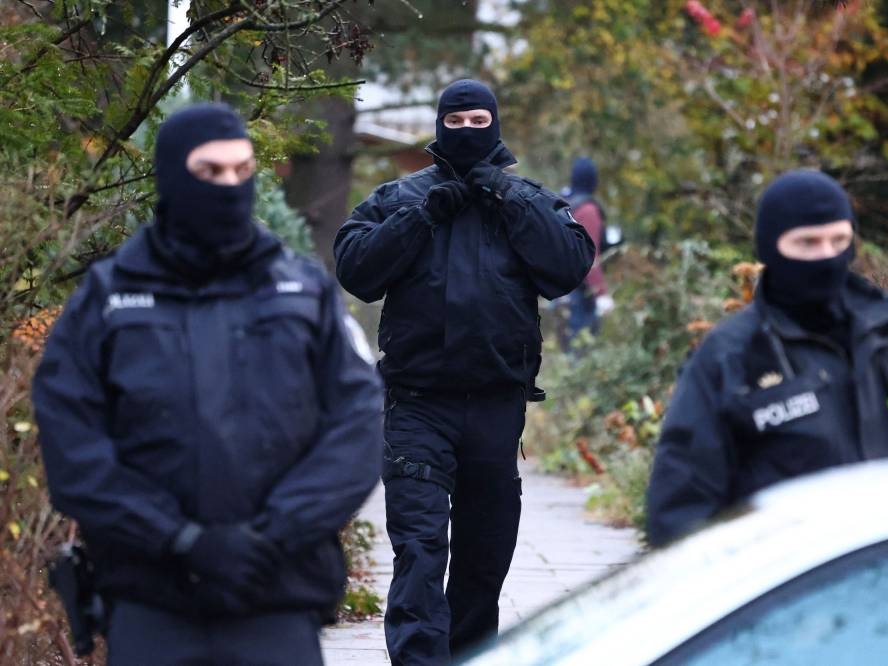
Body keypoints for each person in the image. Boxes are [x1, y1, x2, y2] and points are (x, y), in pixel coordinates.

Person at [32, 103, 383, 665]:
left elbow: (357, 426)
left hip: (277, 599)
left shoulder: (303, 292)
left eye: (242, 171)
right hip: (152, 603)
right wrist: (179, 539)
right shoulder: (107, 299)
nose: (229, 186)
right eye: (210, 172)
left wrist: (270, 536)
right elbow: (74, 447)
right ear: (173, 177)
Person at [334, 78, 594, 664]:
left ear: (495, 125)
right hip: (418, 403)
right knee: (420, 548)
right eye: (458, 122)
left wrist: (506, 195)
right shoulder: (401, 198)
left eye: (481, 122)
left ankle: (472, 656)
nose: (470, 133)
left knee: (484, 553)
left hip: (497, 407)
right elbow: (356, 268)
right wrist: (422, 217)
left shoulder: (526, 198)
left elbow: (569, 265)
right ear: (438, 126)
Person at [645, 169, 888, 547]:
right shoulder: (732, 356)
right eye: (807, 243)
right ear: (770, 248)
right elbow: (680, 510)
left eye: (839, 240)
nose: (827, 257)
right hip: (796, 589)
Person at [562, 156, 614, 350]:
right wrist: (601, 294)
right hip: (580, 293)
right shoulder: (588, 210)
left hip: (557, 288)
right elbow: (589, 258)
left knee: (565, 346)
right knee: (582, 349)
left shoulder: (563, 201)